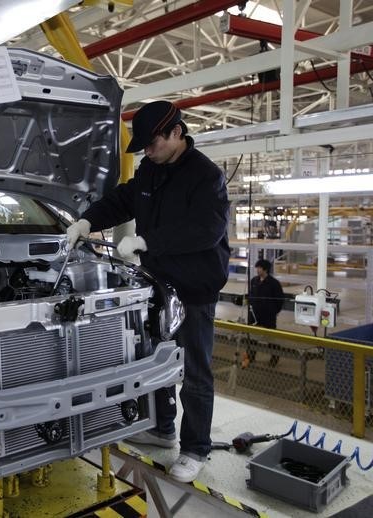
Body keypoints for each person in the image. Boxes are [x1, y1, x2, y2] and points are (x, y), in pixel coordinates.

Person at [66, 100, 230, 483]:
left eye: (152, 143)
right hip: (157, 286)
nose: (147, 151)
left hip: (194, 290)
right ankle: (161, 428)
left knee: (194, 372)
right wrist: (87, 221)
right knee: (153, 360)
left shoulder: (207, 177)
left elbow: (207, 230)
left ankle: (194, 448)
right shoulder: (151, 170)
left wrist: (146, 241)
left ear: (177, 133)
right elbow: (124, 199)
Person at [247, 258, 285, 367]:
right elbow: (251, 294)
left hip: (268, 316)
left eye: (259, 268)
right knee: (252, 338)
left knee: (270, 338)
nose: (257, 270)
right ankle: (251, 356)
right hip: (254, 315)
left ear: (265, 269)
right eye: (257, 268)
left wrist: (273, 311)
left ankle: (274, 358)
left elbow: (280, 300)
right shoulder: (254, 281)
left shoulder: (274, 283)